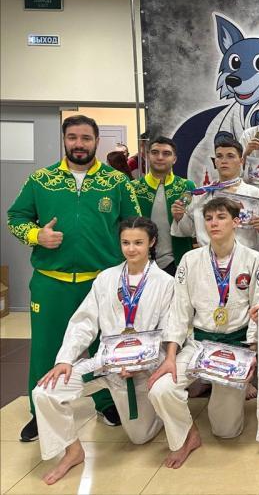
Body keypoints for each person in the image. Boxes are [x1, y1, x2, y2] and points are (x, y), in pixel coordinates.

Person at [7, 114, 142, 442]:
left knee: (104, 346)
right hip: (51, 280)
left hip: (102, 281)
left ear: (97, 141)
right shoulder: (41, 179)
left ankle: (106, 403)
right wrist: (36, 235)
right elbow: (15, 217)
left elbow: (134, 224)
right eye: (73, 138)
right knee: (46, 348)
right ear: (64, 140)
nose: (79, 144)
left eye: (86, 138)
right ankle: (42, 412)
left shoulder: (116, 181)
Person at [32, 217, 174, 484]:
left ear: (152, 242)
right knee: (44, 392)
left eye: (138, 243)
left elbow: (168, 332)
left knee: (140, 437)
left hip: (141, 370)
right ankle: (72, 451)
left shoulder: (165, 283)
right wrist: (65, 359)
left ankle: (161, 410)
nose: (131, 249)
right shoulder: (106, 279)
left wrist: (140, 364)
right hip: (104, 365)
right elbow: (84, 322)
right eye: (125, 242)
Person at [147, 197, 259, 468]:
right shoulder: (190, 260)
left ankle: (229, 391)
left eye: (221, 217)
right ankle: (187, 435)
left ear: (236, 222)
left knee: (226, 431)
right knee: (160, 389)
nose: (214, 223)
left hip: (236, 347)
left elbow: (258, 309)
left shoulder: (254, 259)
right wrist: (170, 357)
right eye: (209, 218)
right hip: (199, 344)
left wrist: (252, 354)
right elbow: (179, 312)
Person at [170, 135, 259, 252]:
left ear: (241, 161)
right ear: (215, 162)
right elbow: (189, 231)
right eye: (219, 156)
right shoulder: (201, 194)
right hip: (208, 257)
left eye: (230, 156)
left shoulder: (256, 195)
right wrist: (179, 217)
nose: (224, 161)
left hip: (244, 258)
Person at [132, 136, 196, 275]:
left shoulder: (187, 187)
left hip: (178, 263)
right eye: (155, 152)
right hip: (140, 263)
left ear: (174, 159)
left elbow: (195, 228)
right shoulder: (133, 188)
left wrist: (180, 218)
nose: (160, 157)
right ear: (147, 156)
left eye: (166, 153)